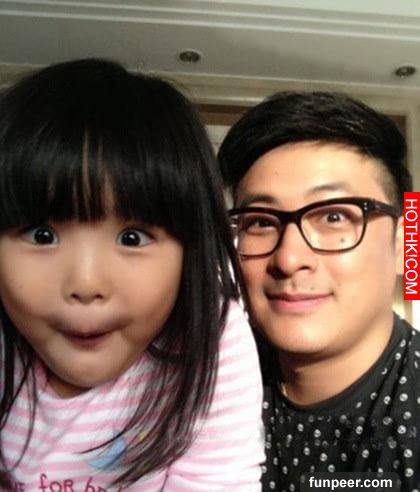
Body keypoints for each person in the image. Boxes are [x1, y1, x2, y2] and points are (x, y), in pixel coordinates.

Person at [0, 58, 264, 491]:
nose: (86, 284)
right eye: (42, 235)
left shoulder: (209, 332)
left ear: (190, 253)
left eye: (133, 238)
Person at [218, 91, 420, 491]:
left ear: (404, 245)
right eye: (260, 222)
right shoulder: (209, 381)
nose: (289, 258)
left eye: (334, 216)